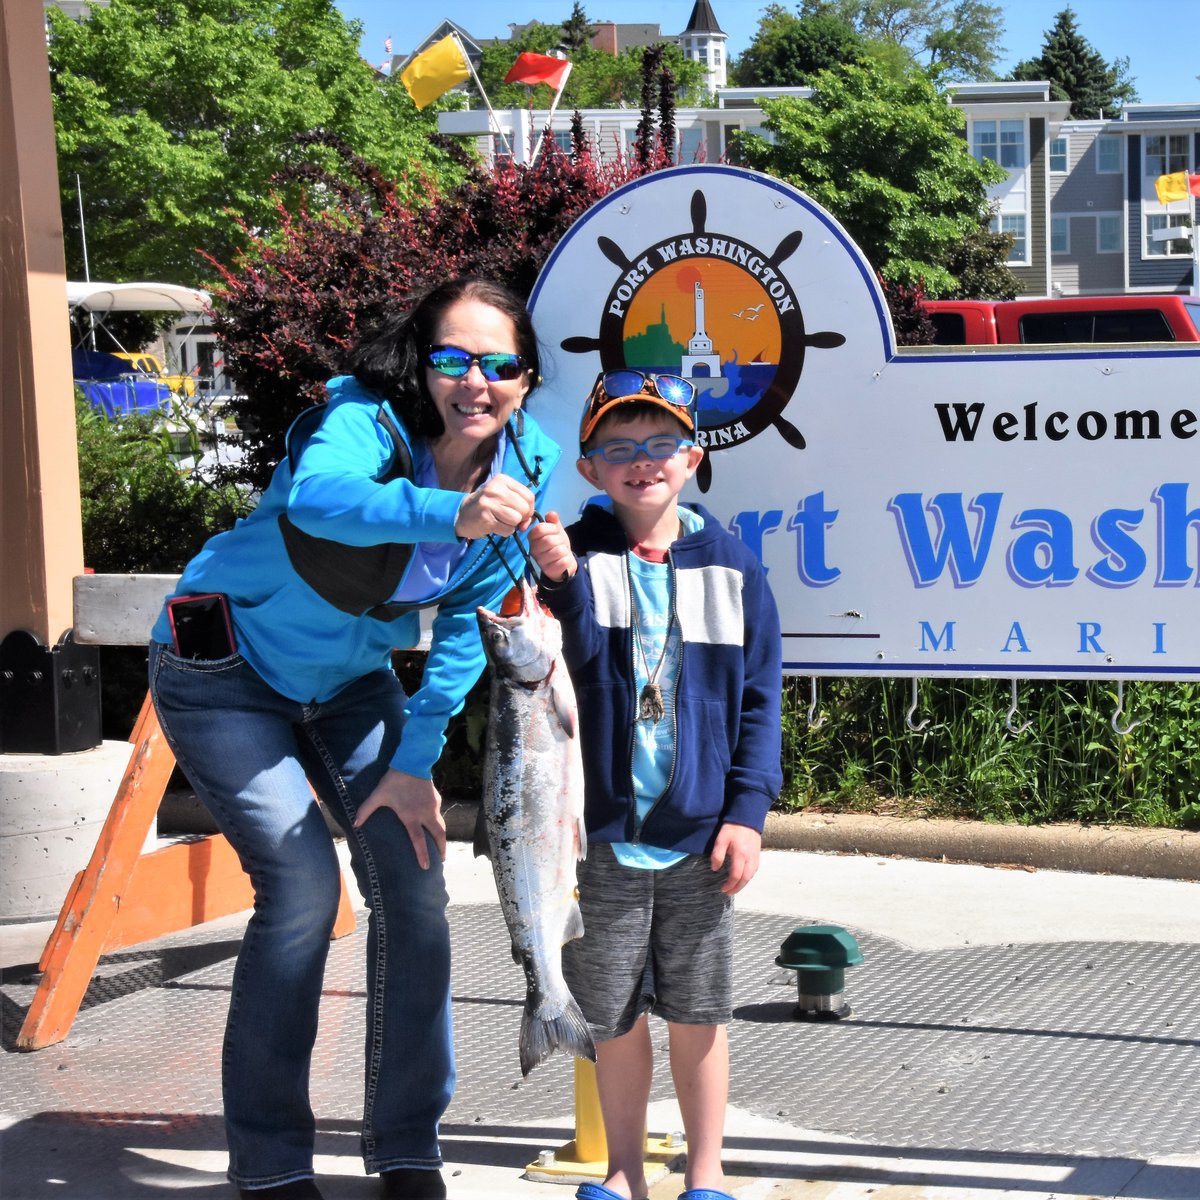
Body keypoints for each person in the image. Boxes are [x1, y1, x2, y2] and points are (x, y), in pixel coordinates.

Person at [147, 278, 562, 1200]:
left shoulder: (528, 466)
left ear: (526, 381)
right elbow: (321, 505)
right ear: (422, 360)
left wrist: (415, 763)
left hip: (347, 686)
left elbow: (466, 627)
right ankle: (271, 1163)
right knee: (299, 889)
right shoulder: (362, 421)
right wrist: (446, 511)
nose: (474, 381)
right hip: (224, 671)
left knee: (414, 889)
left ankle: (408, 1144)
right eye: (453, 357)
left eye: (499, 365)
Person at [527, 370, 783, 1200]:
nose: (643, 462)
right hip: (596, 841)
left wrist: (746, 813)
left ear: (695, 457)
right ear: (591, 465)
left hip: (701, 838)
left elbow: (760, 699)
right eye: (620, 447)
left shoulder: (737, 566)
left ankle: (705, 1175)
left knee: (700, 1012)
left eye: (662, 444)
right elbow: (554, 666)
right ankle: (624, 1172)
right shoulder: (575, 557)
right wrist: (558, 582)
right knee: (611, 1016)